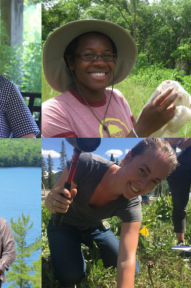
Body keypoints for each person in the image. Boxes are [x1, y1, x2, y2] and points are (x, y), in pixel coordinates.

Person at [44, 138, 178, 287]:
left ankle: (91, 251)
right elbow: (51, 202)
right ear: (127, 157)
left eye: (154, 181)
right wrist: (52, 203)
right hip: (62, 225)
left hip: (95, 229)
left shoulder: (132, 204)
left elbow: (127, 258)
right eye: (142, 171)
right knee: (71, 277)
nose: (143, 184)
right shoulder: (86, 164)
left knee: (134, 270)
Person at [42, 19, 177, 138]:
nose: (100, 63)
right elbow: (83, 162)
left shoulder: (117, 98)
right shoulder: (53, 112)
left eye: (107, 56)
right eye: (88, 55)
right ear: (71, 62)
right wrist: (143, 129)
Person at [165, 138, 191, 246]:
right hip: (179, 164)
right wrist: (169, 142)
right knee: (179, 205)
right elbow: (167, 141)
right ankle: (181, 242)